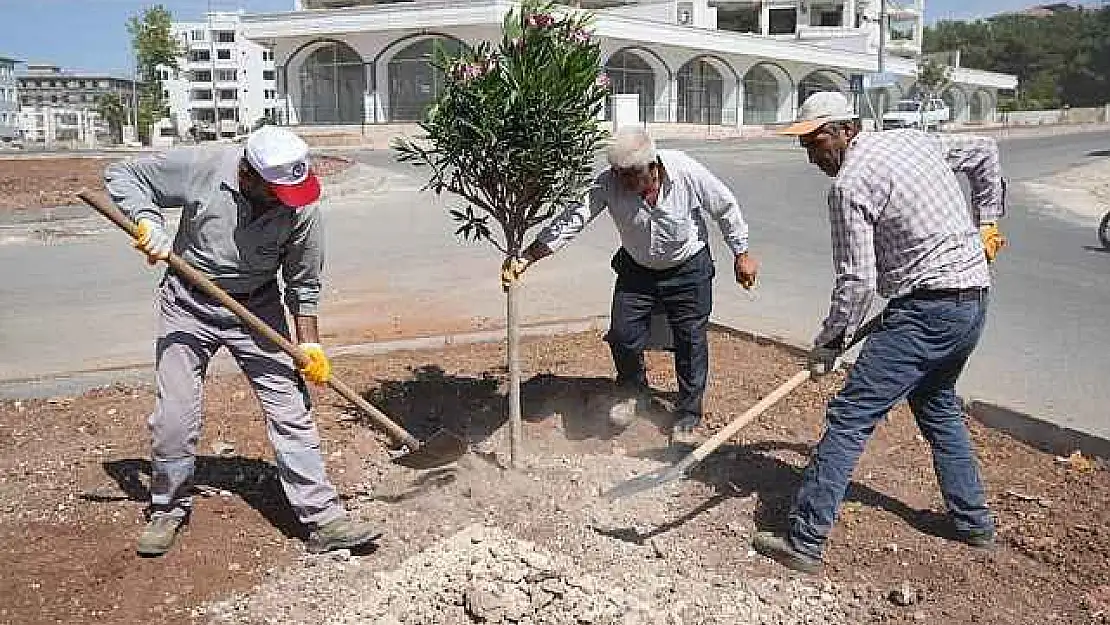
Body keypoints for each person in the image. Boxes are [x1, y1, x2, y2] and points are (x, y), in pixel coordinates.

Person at [752, 91, 1007, 574]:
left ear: (846, 129)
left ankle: (804, 541)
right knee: (936, 404)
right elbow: (985, 151)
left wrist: (830, 342)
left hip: (927, 310)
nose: (810, 155)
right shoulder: (911, 141)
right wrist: (988, 220)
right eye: (803, 145)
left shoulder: (849, 186)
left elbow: (859, 281)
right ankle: (974, 523)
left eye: (814, 141)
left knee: (849, 416)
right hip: (972, 299)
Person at [105, 125, 380, 557]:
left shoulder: (301, 207)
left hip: (257, 309)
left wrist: (310, 346)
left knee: (291, 409)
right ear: (248, 175)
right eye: (276, 193)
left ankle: (323, 518)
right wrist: (147, 219)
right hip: (188, 301)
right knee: (175, 415)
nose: (285, 205)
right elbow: (123, 174)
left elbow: (303, 284)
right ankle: (168, 507)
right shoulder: (202, 165)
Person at [501, 126, 759, 444]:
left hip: (687, 268)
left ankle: (688, 414)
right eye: (620, 174)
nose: (624, 182)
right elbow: (574, 218)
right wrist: (527, 257)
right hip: (637, 269)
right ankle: (633, 391)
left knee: (690, 341)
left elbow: (725, 207)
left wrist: (741, 253)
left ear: (654, 166)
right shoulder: (610, 183)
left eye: (632, 175)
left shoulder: (684, 170)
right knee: (623, 335)